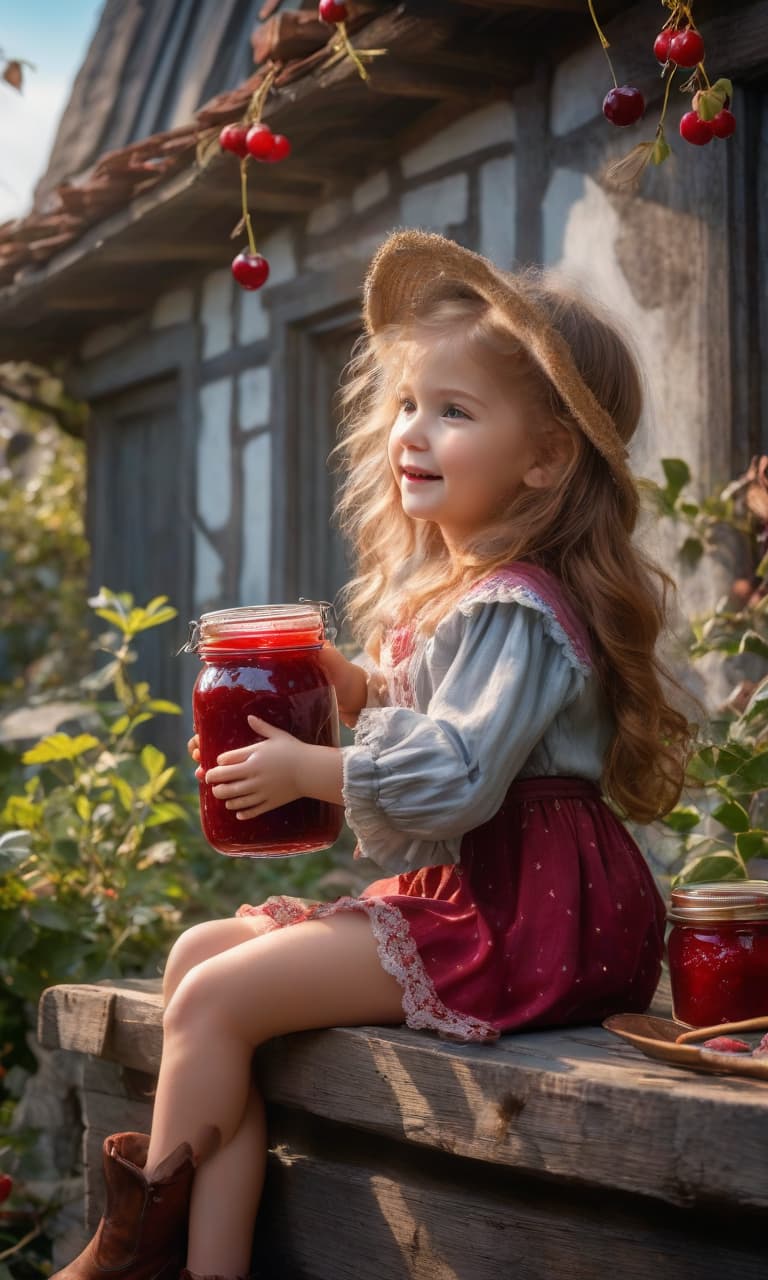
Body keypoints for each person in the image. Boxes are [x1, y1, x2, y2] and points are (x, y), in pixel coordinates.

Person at [54, 230, 692, 1280]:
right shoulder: (471, 598)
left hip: (530, 910)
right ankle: (204, 1261)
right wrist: (360, 687)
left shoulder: (516, 606)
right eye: (407, 403)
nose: (414, 431)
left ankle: (134, 1247)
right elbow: (444, 728)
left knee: (216, 1002)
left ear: (545, 457)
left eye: (454, 410)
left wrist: (316, 769)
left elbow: (460, 772)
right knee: (194, 965)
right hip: (484, 887)